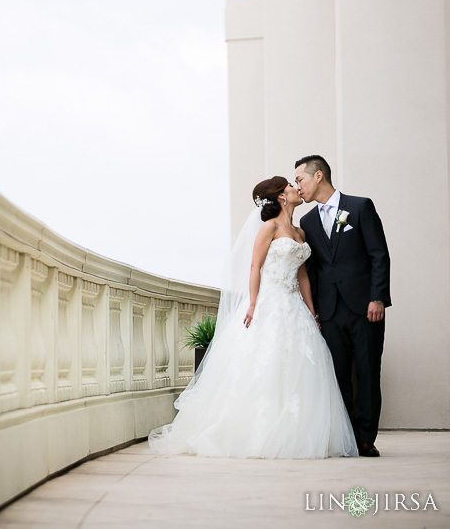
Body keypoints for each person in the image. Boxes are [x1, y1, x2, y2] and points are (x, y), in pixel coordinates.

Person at [148, 176, 359, 458]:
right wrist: (253, 302)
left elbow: (303, 275)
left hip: (295, 305)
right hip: (269, 302)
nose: (296, 189)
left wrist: (311, 310)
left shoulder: (299, 232)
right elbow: (254, 266)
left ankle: (294, 432)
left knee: (300, 365)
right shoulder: (269, 227)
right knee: (264, 363)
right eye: (290, 186)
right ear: (282, 196)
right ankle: (254, 431)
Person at [294, 155, 391, 457]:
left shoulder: (360, 207)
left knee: (367, 371)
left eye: (300, 179)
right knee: (337, 375)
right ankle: (346, 434)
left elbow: (379, 255)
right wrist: (315, 312)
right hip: (330, 311)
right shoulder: (307, 221)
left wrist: (378, 298)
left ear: (318, 175)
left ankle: (365, 438)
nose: (298, 186)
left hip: (365, 307)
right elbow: (312, 271)